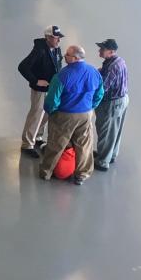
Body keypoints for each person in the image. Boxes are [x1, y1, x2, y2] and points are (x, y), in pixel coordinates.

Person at [38, 46, 104, 186]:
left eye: (67, 55)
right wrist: (91, 107)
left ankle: (46, 172)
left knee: (56, 143)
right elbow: (100, 93)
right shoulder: (94, 72)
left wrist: (52, 111)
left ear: (75, 58)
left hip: (65, 115)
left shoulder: (63, 75)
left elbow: (52, 100)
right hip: (86, 114)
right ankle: (82, 174)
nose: (64, 56)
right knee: (84, 145)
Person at [17, 25, 64, 154]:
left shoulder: (56, 49)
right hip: (40, 90)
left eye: (59, 37)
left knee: (46, 114)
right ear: (48, 37)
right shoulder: (40, 50)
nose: (59, 40)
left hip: (52, 88)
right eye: (56, 38)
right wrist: (36, 80)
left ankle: (37, 137)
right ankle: (27, 144)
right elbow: (23, 66)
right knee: (36, 115)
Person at [93, 39, 130, 171]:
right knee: (115, 130)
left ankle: (102, 161)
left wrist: (90, 100)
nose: (99, 50)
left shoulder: (113, 66)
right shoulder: (117, 61)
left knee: (106, 130)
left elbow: (103, 88)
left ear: (111, 51)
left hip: (113, 102)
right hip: (122, 99)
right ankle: (110, 154)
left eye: (102, 49)